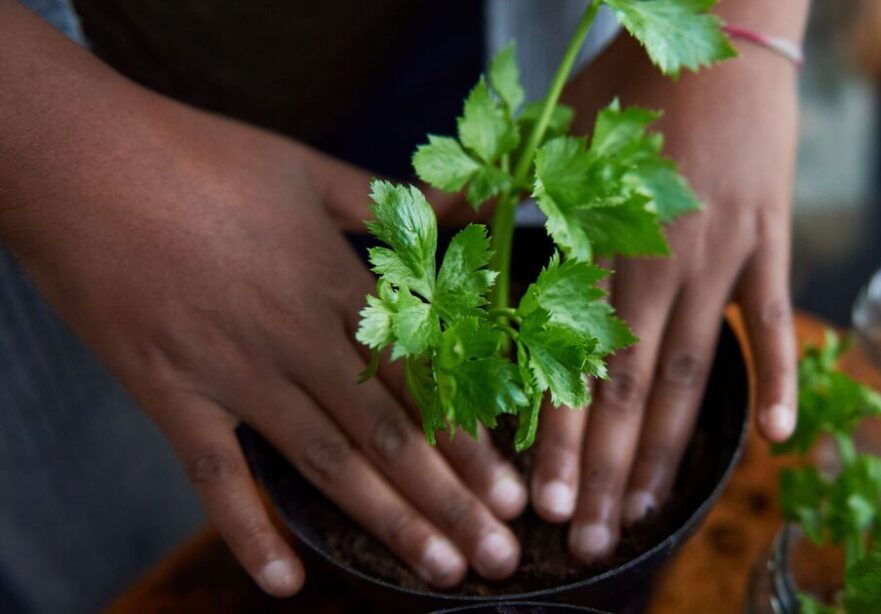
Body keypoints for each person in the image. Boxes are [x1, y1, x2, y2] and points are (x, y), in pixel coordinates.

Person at [0, 0, 806, 609]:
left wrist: (750, 22)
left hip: (465, 30)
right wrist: (58, 153)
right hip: (77, 122)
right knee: (138, 524)